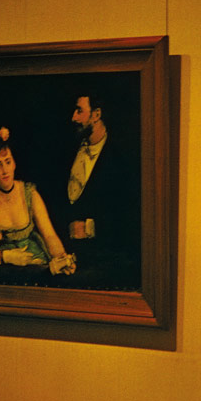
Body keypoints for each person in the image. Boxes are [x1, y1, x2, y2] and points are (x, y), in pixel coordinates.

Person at [52, 93, 140, 287]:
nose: (73, 118)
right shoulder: (69, 149)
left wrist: (90, 228)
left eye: (79, 111)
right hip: (67, 255)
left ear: (96, 114)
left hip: (105, 261)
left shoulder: (120, 158)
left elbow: (130, 218)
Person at [0, 127, 76, 275]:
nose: (5, 170)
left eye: (8, 162)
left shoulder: (29, 193)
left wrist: (62, 258)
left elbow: (49, 235)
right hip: (5, 269)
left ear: (14, 163)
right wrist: (6, 256)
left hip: (37, 263)